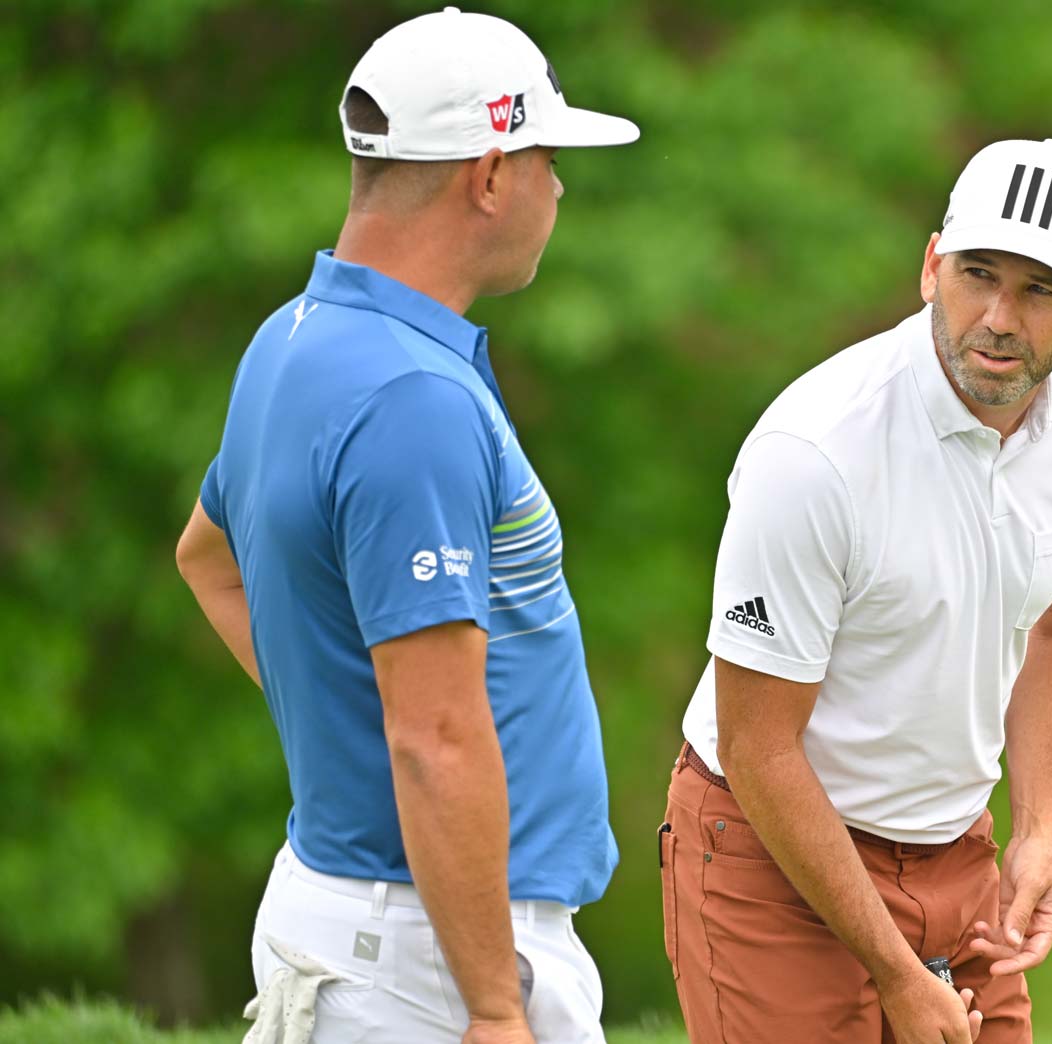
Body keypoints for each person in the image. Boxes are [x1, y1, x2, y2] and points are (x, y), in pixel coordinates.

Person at [174, 9, 639, 1043]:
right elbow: (432, 736)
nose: (556, 188)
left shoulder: (291, 338)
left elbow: (207, 561)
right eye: (546, 159)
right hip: (432, 958)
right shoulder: (410, 399)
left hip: (357, 917)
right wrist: (491, 1009)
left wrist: (348, 724)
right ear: (486, 176)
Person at [661, 138, 1052, 1044]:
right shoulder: (813, 455)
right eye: (978, 275)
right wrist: (895, 974)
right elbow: (759, 744)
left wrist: (1042, 831)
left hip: (954, 848)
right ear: (930, 267)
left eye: (1040, 290)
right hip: (769, 852)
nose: (998, 318)